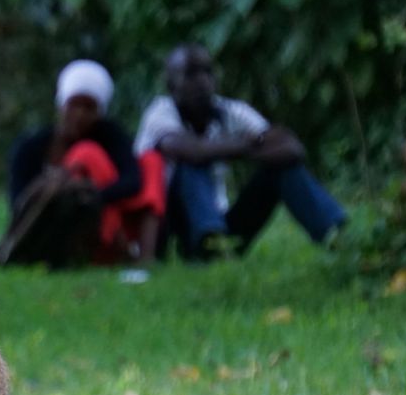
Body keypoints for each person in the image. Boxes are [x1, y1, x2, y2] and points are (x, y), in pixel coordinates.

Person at [134, 43, 347, 261]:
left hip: (222, 221)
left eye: (207, 72)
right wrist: (249, 145)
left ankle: (337, 236)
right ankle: (209, 245)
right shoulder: (160, 112)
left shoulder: (231, 110)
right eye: (191, 75)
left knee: (281, 169)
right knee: (191, 164)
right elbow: (190, 151)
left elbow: (292, 148)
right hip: (173, 225)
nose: (202, 81)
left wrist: (235, 149)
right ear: (171, 85)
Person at [0, 60, 165, 268]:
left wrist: (93, 193)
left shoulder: (110, 135)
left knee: (151, 161)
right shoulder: (30, 147)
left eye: (89, 107)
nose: (80, 114)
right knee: (86, 154)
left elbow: (133, 181)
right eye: (74, 105)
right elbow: (18, 202)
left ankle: (146, 256)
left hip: (113, 219)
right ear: (61, 104)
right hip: (62, 230)